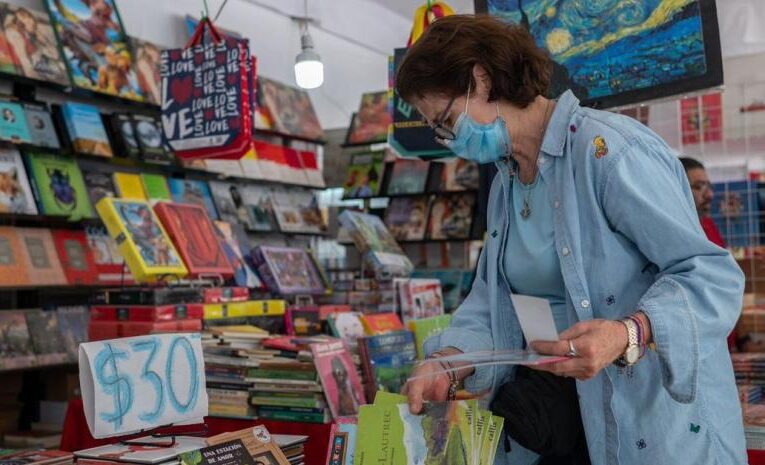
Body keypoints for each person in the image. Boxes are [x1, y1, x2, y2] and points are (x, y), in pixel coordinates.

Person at [398, 15, 746, 465]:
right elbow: (491, 301)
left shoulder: (609, 152)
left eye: (447, 120)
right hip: (565, 423)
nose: (450, 141)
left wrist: (627, 333)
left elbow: (711, 275)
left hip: (648, 426)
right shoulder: (507, 179)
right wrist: (446, 361)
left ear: (480, 79)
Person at [679, 157, 726, 248]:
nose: (710, 195)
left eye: (709, 186)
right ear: (678, 190)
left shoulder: (707, 223)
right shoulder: (676, 231)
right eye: (699, 187)